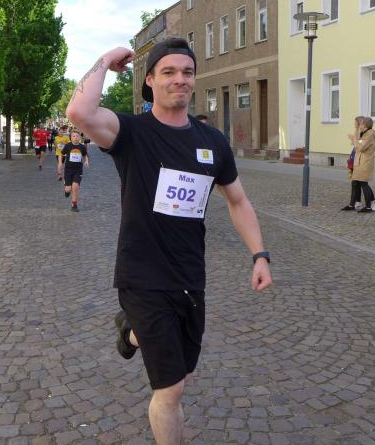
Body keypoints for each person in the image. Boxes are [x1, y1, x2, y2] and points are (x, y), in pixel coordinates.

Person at [66, 38, 273, 445]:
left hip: (190, 276)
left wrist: (259, 255)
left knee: (184, 373)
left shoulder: (212, 142)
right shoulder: (132, 132)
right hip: (142, 275)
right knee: (171, 388)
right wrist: (107, 60)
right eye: (169, 72)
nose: (180, 79)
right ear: (150, 80)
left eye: (187, 72)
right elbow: (79, 111)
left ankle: (131, 332)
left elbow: (238, 201)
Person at [343, 116, 375, 213]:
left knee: (363, 183)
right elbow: (357, 142)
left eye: (360, 124)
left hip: (365, 162)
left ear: (365, 125)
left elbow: (361, 147)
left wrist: (354, 140)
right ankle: (354, 204)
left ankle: (369, 206)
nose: (360, 126)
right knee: (356, 182)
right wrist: (356, 131)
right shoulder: (365, 133)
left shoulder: (369, 135)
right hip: (359, 161)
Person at [59, 129, 88, 212]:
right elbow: (61, 154)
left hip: (78, 170)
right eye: (73, 136)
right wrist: (60, 162)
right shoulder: (68, 146)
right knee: (68, 189)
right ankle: (67, 190)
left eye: (77, 136)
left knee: (75, 186)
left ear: (80, 138)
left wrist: (86, 161)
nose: (75, 138)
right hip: (68, 170)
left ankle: (74, 204)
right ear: (71, 137)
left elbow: (85, 155)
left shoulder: (82, 147)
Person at [341, 116, 366, 211]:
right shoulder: (357, 132)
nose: (354, 124)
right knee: (356, 183)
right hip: (354, 157)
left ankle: (354, 204)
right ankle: (356, 203)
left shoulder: (363, 133)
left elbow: (360, 145)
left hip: (359, 159)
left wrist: (354, 140)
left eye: (355, 122)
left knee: (357, 183)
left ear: (359, 123)